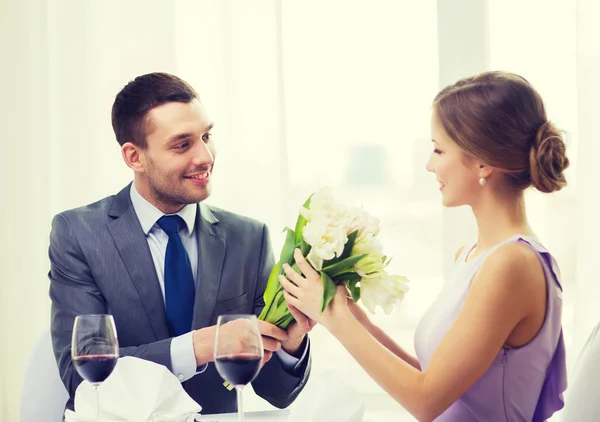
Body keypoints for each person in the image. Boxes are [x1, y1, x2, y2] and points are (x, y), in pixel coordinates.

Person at [279, 71, 569, 421]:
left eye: (438, 149)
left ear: (482, 161)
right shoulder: (475, 255)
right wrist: (358, 320)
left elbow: (426, 400)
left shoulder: (512, 264)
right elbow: (443, 386)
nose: (430, 165)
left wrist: (333, 317)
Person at [49, 72, 312, 414]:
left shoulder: (250, 238)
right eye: (182, 144)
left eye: (207, 136)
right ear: (134, 157)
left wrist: (291, 346)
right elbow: (81, 377)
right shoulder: (78, 233)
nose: (205, 157)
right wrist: (200, 346)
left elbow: (276, 392)